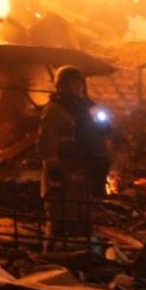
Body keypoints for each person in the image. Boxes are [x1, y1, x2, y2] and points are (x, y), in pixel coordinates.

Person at [38, 65, 108, 249]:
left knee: (82, 221)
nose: (78, 87)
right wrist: (55, 175)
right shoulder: (54, 110)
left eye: (80, 83)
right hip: (63, 176)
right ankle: (51, 259)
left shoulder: (85, 109)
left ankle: (78, 260)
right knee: (59, 221)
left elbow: (95, 134)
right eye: (73, 84)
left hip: (81, 174)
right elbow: (46, 144)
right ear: (62, 86)